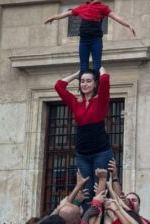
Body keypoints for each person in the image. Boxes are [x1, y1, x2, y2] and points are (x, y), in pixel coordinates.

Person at [44, 0, 136, 74]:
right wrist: (54, 17)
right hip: (84, 40)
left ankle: (96, 85)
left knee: (97, 65)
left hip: (95, 39)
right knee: (83, 66)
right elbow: (67, 13)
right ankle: (83, 85)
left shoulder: (103, 8)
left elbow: (115, 17)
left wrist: (128, 25)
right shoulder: (82, 7)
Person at [55, 66, 114, 203]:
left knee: (99, 189)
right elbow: (59, 86)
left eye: (88, 81)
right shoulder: (76, 103)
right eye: (82, 81)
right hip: (82, 154)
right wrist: (76, 74)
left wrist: (101, 69)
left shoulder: (100, 101)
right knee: (86, 191)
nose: (85, 84)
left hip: (101, 151)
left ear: (95, 84)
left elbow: (105, 81)